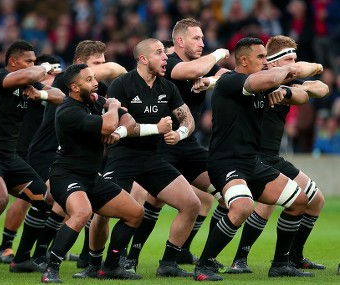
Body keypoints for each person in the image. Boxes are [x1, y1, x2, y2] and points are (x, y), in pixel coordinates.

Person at [193, 37, 322, 281]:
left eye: (266, 57)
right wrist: (289, 72)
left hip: (253, 161)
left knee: (300, 201)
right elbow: (269, 78)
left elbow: (304, 97)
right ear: (243, 60)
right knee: (243, 207)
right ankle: (204, 265)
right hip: (226, 161)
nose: (265, 62)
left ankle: (280, 264)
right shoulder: (231, 81)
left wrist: (286, 91)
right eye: (260, 58)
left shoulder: (266, 85)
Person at [124, 18, 233, 273]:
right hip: (159, 144)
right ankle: (131, 257)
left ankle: (182, 255)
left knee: (230, 197)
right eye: (197, 38)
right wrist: (216, 55)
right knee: (154, 200)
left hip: (188, 144)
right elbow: (190, 71)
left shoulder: (201, 65)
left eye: (204, 39)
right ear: (180, 41)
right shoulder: (167, 61)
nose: (203, 44)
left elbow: (228, 76)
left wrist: (211, 81)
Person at [85, 38, 199, 278]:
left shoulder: (167, 87)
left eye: (164, 53)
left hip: (152, 157)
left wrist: (179, 134)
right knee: (103, 212)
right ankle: (95, 264)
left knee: (192, 204)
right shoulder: (121, 85)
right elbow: (121, 125)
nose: (165, 57)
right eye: (159, 53)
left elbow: (188, 119)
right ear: (143, 59)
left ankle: (168, 264)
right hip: (122, 156)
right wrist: (157, 127)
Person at [18, 40, 127, 273]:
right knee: (52, 202)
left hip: (76, 154)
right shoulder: (67, 80)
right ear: (79, 64)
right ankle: (27, 255)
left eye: (102, 61)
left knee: (69, 205)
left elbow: (118, 72)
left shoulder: (94, 88)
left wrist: (117, 126)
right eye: (96, 63)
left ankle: (73, 257)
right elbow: (57, 93)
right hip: (49, 150)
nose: (101, 68)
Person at [0, 40, 65, 276]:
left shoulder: (30, 84)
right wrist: (46, 68)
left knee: (46, 200)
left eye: (33, 61)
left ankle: (21, 258)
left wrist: (40, 93)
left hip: (10, 157)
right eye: (28, 61)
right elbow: (31, 74)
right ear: (13, 62)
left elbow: (60, 96)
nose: (32, 65)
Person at [229, 35, 329, 273]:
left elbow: (321, 87)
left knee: (316, 201)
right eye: (289, 59)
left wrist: (293, 84)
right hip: (254, 156)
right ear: (272, 63)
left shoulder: (285, 86)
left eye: (296, 59)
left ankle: (294, 257)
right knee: (266, 206)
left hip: (272, 157)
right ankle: (240, 260)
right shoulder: (258, 82)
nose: (294, 64)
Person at [41, 63, 144, 283]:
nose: (95, 83)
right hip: (66, 175)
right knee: (82, 212)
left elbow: (130, 119)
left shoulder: (93, 103)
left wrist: (118, 131)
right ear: (74, 87)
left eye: (94, 77)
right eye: (89, 80)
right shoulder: (68, 110)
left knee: (135, 213)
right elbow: (109, 123)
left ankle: (111, 266)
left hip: (91, 178)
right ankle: (51, 270)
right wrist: (113, 108)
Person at [0, 54, 62, 265]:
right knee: (26, 199)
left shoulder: (49, 89)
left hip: (48, 150)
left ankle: (49, 247)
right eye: (52, 72)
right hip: (25, 149)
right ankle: (5, 246)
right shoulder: (28, 84)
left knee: (57, 198)